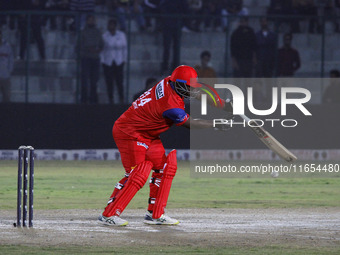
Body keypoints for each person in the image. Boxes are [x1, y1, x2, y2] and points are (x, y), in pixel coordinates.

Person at [98, 65, 233, 226]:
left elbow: (200, 93)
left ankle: (155, 214)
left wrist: (225, 105)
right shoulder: (170, 104)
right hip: (130, 132)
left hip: (148, 133)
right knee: (138, 173)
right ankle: (109, 214)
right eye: (188, 88)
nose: (192, 92)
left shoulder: (171, 80)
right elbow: (189, 123)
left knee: (165, 167)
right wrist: (216, 123)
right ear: (179, 85)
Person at [100, 19, 127, 104]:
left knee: (119, 81)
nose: (111, 27)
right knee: (109, 82)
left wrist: (124, 59)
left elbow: (124, 48)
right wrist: (103, 61)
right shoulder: (104, 36)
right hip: (108, 62)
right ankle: (110, 99)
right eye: (110, 25)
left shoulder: (121, 35)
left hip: (119, 61)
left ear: (115, 26)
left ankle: (121, 98)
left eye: (113, 25)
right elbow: (102, 49)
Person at [79, 15, 103, 104]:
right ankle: (84, 99)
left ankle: (93, 100)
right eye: (90, 20)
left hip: (95, 58)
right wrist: (89, 49)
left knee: (94, 80)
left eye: (93, 20)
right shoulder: (83, 32)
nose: (92, 21)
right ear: (86, 21)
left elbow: (101, 44)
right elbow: (80, 45)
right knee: (84, 80)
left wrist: (97, 50)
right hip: (86, 58)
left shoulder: (98, 32)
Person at [0, 29, 14, 103]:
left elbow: (11, 60)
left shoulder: (7, 46)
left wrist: (9, 71)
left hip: (5, 77)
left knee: (7, 97)